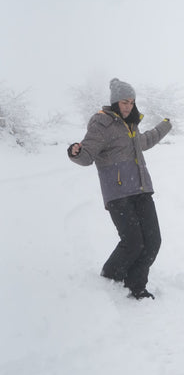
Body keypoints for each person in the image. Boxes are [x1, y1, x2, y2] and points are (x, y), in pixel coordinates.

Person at [67, 77, 172, 300]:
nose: (129, 106)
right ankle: (110, 276)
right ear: (115, 101)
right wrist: (75, 152)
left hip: (142, 190)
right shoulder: (101, 123)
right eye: (125, 102)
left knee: (153, 241)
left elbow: (144, 142)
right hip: (119, 194)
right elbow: (87, 156)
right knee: (133, 242)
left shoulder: (131, 125)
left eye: (132, 102)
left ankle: (136, 285)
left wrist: (164, 126)